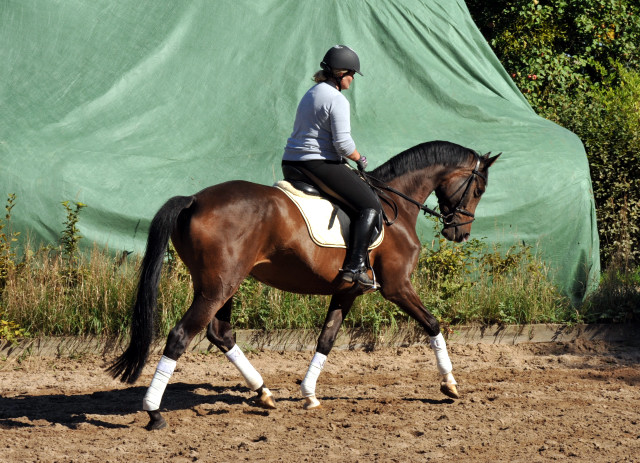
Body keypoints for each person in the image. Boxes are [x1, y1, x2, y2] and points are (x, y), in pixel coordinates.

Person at [282, 45, 380, 287]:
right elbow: (343, 144)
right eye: (352, 74)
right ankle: (355, 267)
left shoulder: (312, 92)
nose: (353, 79)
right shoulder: (337, 99)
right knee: (370, 205)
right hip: (317, 164)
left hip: (291, 163)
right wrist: (360, 158)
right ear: (340, 73)